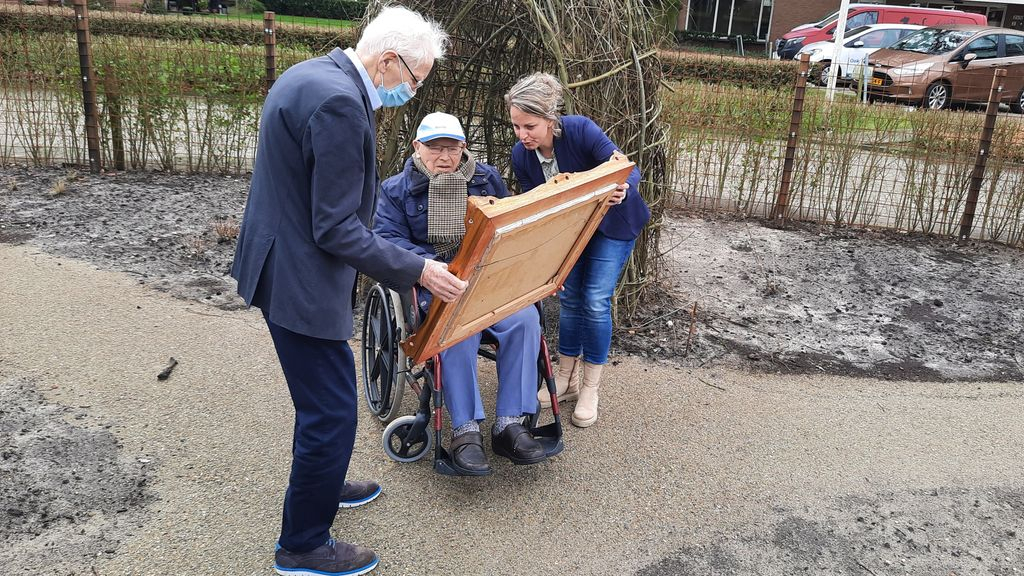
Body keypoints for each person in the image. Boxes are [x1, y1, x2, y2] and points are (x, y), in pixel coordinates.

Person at [231, 8, 467, 576]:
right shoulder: (340, 103)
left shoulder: (309, 74)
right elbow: (336, 228)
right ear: (388, 61)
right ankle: (303, 544)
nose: (411, 92)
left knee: (320, 403)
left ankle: (325, 483)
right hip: (301, 281)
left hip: (276, 261)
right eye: (414, 80)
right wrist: (417, 269)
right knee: (332, 412)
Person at [374, 112, 547, 475]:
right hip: (434, 283)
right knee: (455, 329)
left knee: (526, 319)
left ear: (463, 148)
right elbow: (387, 241)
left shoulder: (486, 179)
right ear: (417, 147)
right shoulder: (394, 190)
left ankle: (509, 424)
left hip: (487, 282)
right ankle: (465, 430)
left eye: (452, 149)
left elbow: (508, 225)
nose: (444, 157)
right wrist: (429, 269)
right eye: (434, 148)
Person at [505, 72, 650, 429]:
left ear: (550, 118)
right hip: (570, 233)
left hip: (612, 225)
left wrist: (623, 187)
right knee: (569, 299)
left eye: (529, 126)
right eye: (516, 126)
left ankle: (590, 388)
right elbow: (538, 207)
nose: (522, 135)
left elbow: (625, 167)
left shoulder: (581, 130)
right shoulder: (521, 157)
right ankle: (566, 379)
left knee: (596, 300)